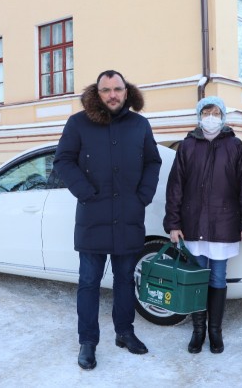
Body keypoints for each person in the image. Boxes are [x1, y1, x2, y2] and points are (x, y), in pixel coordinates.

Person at [53, 69, 162, 371]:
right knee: (89, 282)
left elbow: (153, 160)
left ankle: (125, 333)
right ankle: (88, 341)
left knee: (126, 280)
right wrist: (85, 192)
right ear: (97, 93)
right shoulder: (79, 123)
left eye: (117, 89)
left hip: (129, 216)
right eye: (106, 90)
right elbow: (62, 159)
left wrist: (144, 195)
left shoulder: (139, 125)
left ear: (126, 92)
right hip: (93, 217)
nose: (112, 94)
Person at [163, 96, 242, 354]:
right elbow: (175, 187)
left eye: (216, 113)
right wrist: (173, 223)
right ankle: (198, 331)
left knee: (217, 277)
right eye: (207, 112)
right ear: (199, 116)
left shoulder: (235, 146)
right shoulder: (187, 146)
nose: (211, 117)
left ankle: (215, 332)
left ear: (223, 117)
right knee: (196, 279)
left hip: (224, 224)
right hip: (193, 225)